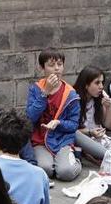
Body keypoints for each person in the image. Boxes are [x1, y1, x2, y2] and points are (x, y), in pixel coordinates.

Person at [26, 48, 81, 181]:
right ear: (42, 68)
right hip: (40, 140)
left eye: (60, 64)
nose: (57, 69)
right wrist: (45, 93)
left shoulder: (70, 94)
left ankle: (76, 159)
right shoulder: (35, 89)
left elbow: (74, 125)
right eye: (51, 65)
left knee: (65, 173)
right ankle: (59, 161)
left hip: (63, 140)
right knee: (44, 169)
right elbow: (30, 117)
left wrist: (59, 123)